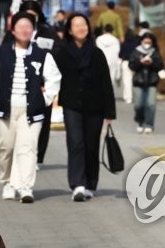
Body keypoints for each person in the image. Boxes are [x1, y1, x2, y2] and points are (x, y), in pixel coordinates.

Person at [0, 12, 61, 203]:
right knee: (5, 147)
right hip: (6, 108)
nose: (24, 30)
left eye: (28, 27)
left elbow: (54, 77)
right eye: (20, 26)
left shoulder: (42, 55)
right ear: (13, 30)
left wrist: (45, 98)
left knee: (28, 147)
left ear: (33, 31)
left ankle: (26, 186)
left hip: (32, 109)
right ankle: (7, 182)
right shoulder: (0, 52)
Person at [54, 13, 117, 201]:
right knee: (75, 143)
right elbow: (52, 75)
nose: (81, 28)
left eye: (84, 25)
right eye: (77, 25)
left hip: (95, 107)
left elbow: (106, 83)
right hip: (71, 105)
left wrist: (109, 111)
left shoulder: (96, 53)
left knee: (91, 145)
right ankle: (77, 184)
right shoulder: (62, 52)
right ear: (70, 30)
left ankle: (90, 183)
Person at [15, 0, 59, 165]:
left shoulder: (47, 32)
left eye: (33, 15)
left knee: (42, 122)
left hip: (42, 84)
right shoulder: (14, 32)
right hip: (19, 84)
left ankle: (38, 156)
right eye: (26, 15)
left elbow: (56, 54)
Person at [128, 31, 165, 134]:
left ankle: (149, 124)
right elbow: (131, 65)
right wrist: (140, 62)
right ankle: (140, 121)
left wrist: (152, 63)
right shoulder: (136, 52)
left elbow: (161, 66)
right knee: (138, 105)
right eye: (145, 41)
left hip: (151, 81)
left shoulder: (155, 53)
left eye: (149, 42)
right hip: (138, 81)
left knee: (151, 104)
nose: (147, 44)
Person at [95, 24, 122, 97]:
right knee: (111, 77)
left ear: (104, 30)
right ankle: (109, 94)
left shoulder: (99, 39)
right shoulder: (115, 40)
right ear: (112, 30)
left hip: (101, 60)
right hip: (112, 60)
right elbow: (117, 51)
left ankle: (101, 93)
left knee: (101, 77)